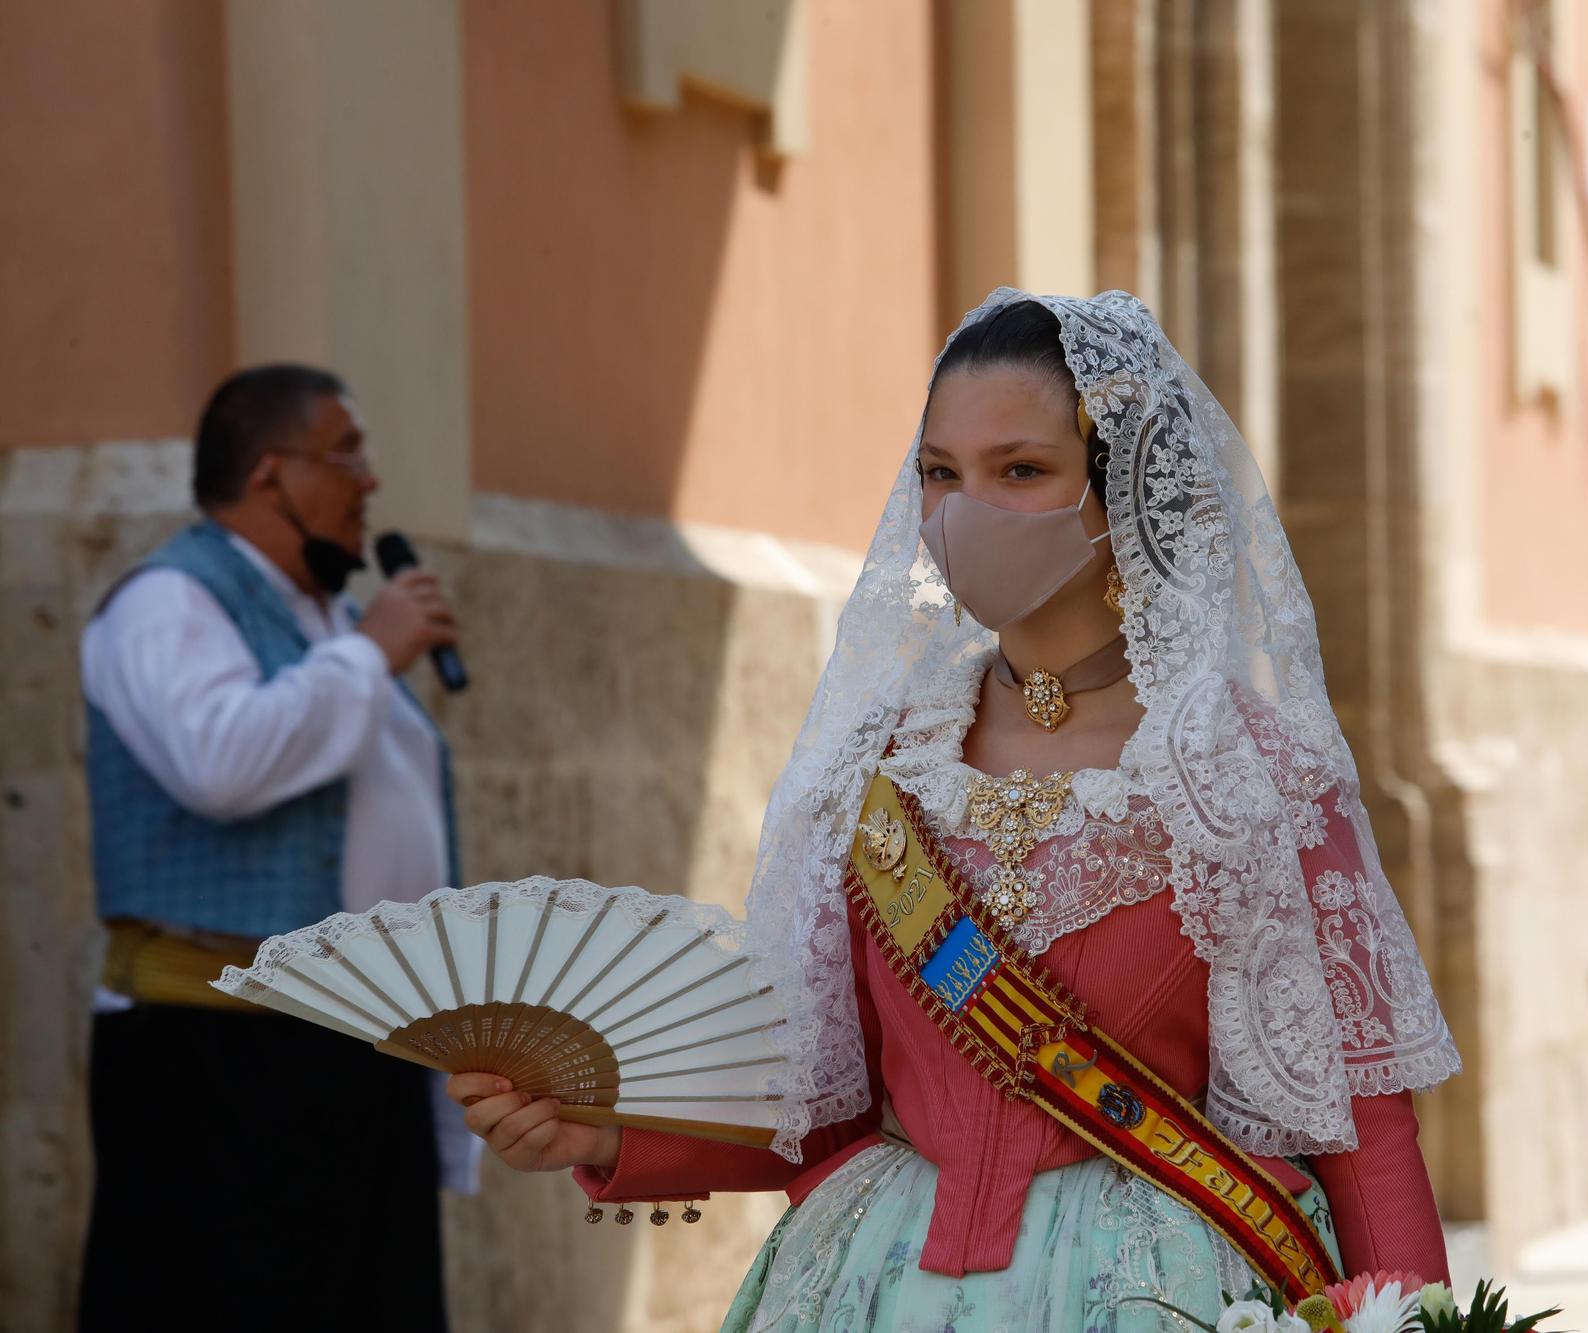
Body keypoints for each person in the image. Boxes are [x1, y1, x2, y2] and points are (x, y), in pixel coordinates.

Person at [454, 292, 1461, 1328]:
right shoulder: (873, 764)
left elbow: (1362, 1126)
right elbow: (822, 1101)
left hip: (1160, 1296)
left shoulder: (1252, 777)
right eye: (940, 473)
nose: (960, 510)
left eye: (1018, 471)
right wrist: (608, 1137)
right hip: (874, 1285)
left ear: (1122, 494)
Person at [78, 365, 466, 1329]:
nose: (370, 481)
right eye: (346, 452)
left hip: (354, 1052)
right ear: (267, 473)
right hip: (220, 1057)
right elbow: (218, 761)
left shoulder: (324, 615)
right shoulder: (171, 600)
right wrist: (371, 652)